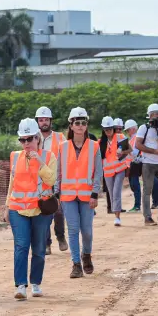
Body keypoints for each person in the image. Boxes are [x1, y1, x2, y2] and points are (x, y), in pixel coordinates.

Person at [7, 118, 57, 300]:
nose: (26, 143)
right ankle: (20, 285)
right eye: (23, 140)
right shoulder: (15, 156)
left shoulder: (49, 156)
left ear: (37, 138)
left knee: (38, 248)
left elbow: (51, 181)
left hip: (40, 211)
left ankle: (35, 283)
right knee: (21, 246)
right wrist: (7, 207)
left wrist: (40, 163)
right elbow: (12, 184)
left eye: (30, 139)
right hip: (18, 210)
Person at [55, 107, 103, 278]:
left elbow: (98, 172)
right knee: (73, 230)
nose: (80, 126)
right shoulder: (63, 147)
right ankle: (76, 264)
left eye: (83, 123)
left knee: (87, 231)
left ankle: (86, 255)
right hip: (68, 196)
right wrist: (56, 192)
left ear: (86, 125)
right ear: (71, 125)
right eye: (77, 123)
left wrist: (95, 194)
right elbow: (58, 172)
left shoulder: (94, 146)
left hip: (87, 196)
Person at [36, 106, 68, 254]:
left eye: (46, 120)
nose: (44, 122)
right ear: (37, 122)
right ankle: (47, 243)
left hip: (56, 180)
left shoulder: (60, 137)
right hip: (40, 182)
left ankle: (60, 237)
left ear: (50, 121)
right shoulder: (33, 137)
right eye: (41, 120)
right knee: (44, 214)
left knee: (58, 212)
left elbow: (67, 157)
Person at [100, 116, 128, 227]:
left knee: (116, 193)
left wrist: (122, 152)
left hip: (120, 169)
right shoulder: (101, 142)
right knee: (111, 194)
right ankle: (115, 213)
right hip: (107, 172)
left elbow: (129, 149)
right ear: (103, 130)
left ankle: (117, 217)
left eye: (110, 129)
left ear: (113, 128)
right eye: (106, 130)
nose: (108, 132)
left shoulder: (120, 137)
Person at [124, 119, 143, 212]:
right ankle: (137, 205)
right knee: (134, 185)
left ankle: (137, 206)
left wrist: (126, 150)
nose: (127, 132)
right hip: (134, 163)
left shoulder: (135, 138)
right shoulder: (133, 139)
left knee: (135, 185)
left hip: (136, 163)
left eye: (127, 130)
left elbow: (134, 152)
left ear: (133, 129)